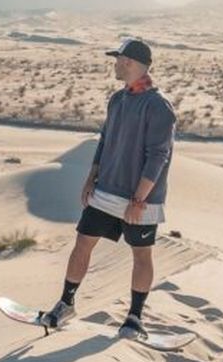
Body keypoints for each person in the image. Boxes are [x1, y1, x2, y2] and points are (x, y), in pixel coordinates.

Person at [41, 38, 176, 338]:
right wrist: (92, 177)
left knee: (141, 255)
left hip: (142, 199)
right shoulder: (117, 99)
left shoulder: (159, 106)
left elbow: (159, 156)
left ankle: (134, 318)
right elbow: (105, 141)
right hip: (106, 190)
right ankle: (66, 303)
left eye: (117, 60)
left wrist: (138, 199)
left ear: (129, 62)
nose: (114, 64)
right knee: (82, 243)